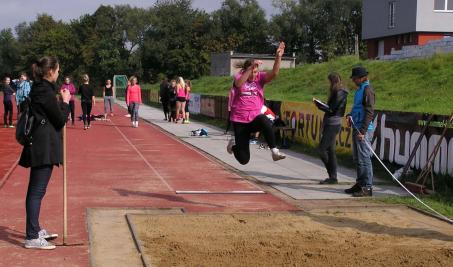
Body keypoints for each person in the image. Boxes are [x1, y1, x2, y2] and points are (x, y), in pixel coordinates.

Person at [19, 56, 71, 250]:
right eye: (57, 70)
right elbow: (59, 120)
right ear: (50, 72)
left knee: (37, 191)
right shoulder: (45, 92)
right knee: (36, 191)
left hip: (42, 145)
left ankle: (35, 229)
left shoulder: (42, 89)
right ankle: (32, 236)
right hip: (42, 146)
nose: (58, 73)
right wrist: (65, 102)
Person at [227, 42, 287, 165]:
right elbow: (238, 85)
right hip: (240, 121)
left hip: (254, 119)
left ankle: (274, 151)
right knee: (244, 160)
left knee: (264, 119)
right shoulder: (239, 77)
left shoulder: (260, 78)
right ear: (246, 70)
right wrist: (249, 69)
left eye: (256, 72)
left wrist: (278, 57)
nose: (255, 75)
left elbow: (274, 74)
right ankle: (233, 146)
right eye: (252, 72)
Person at [345, 66, 375, 197]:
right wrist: (349, 115)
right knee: (357, 158)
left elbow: (369, 112)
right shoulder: (359, 90)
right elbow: (357, 108)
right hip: (356, 127)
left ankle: (367, 187)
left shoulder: (368, 90)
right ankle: (360, 183)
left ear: (362, 78)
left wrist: (362, 131)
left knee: (364, 158)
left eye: (355, 78)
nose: (353, 80)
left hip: (363, 130)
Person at [314, 73, 348, 184]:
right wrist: (322, 104)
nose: (328, 84)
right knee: (330, 151)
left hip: (333, 123)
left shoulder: (339, 92)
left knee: (321, 149)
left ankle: (332, 175)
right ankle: (333, 176)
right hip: (332, 122)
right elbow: (332, 107)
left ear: (333, 82)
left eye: (329, 81)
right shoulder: (339, 92)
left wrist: (320, 106)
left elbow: (332, 109)